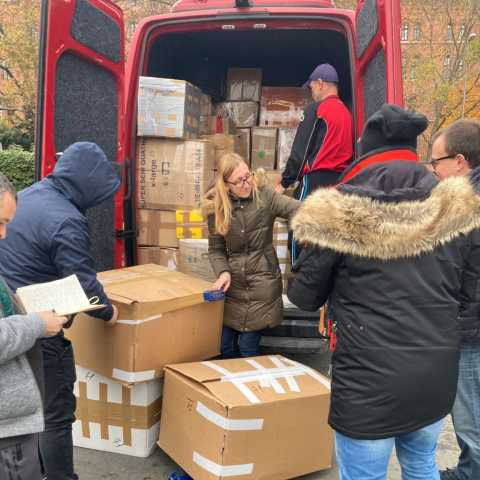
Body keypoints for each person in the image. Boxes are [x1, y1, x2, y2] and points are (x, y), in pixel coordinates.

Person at [287, 104, 480, 480]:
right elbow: (469, 298)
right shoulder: (459, 208)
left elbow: (303, 296)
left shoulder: (337, 209)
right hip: (433, 376)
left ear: (365, 153)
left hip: (367, 384)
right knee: (422, 465)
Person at [0, 142, 121, 480]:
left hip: (11, 312)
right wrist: (108, 312)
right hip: (41, 328)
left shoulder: (33, 193)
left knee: (29, 414)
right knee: (56, 416)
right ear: (88, 185)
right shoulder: (66, 219)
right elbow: (83, 283)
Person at [0, 173, 69, 480]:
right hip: (6, 429)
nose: (3, 234)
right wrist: (38, 323)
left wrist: (20, 306)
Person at [201, 153, 301, 358]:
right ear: (225, 184)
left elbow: (297, 208)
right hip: (234, 285)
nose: (246, 184)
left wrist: (329, 211)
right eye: (239, 181)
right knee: (224, 346)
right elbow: (216, 249)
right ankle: (234, 388)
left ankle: (253, 387)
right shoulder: (216, 207)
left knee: (247, 346)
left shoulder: (264, 194)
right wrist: (223, 273)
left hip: (263, 281)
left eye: (248, 176)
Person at [429, 119, 480, 480]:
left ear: (459, 161)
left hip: (470, 331)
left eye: (436, 162)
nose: (433, 170)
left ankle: (470, 473)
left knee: (470, 417)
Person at [274, 63, 353, 263]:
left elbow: (299, 153)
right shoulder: (347, 114)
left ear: (320, 83)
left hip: (315, 183)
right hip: (341, 185)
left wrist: (283, 184)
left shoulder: (316, 110)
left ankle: (298, 284)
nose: (312, 94)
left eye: (311, 88)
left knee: (300, 234)